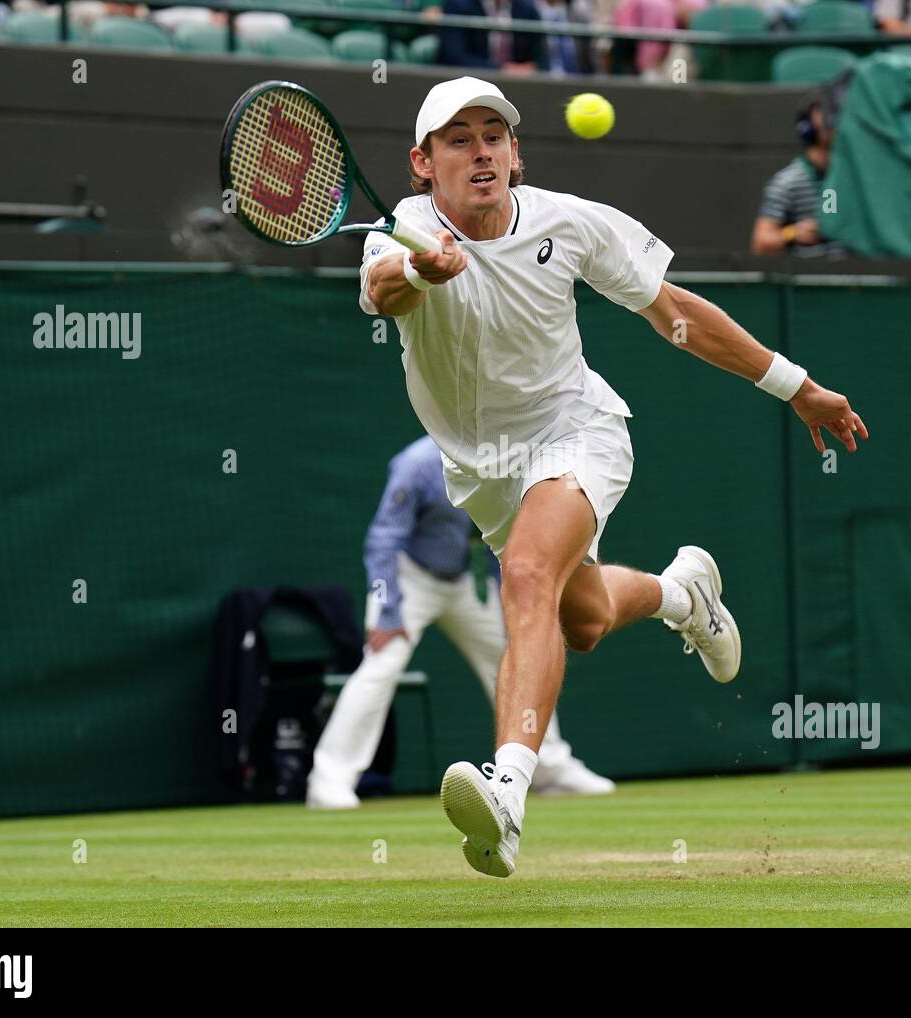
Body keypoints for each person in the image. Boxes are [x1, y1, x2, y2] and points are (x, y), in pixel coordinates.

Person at [359, 76, 868, 877]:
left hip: (576, 432)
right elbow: (384, 291)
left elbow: (677, 316)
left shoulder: (571, 223)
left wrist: (797, 387)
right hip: (483, 471)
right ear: (423, 164)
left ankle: (509, 793)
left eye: (495, 134)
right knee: (583, 619)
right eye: (458, 139)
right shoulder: (399, 234)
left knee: (528, 575)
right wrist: (427, 272)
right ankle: (681, 595)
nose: (481, 150)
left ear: (517, 154)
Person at [306, 435, 615, 809]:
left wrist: (515, 606)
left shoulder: (502, 458)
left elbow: (505, 539)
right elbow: (383, 540)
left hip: (462, 580)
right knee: (381, 665)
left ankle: (548, 766)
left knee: (517, 653)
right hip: (407, 578)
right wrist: (387, 611)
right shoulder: (415, 464)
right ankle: (329, 780)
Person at [751, 98, 845, 258]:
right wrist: (792, 233)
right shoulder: (787, 183)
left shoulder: (852, 180)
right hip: (808, 276)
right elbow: (761, 241)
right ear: (807, 129)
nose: (832, 122)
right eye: (825, 115)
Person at [438, 0, 543, 73]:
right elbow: (455, 57)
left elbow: (541, 58)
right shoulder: (458, 5)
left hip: (519, 84)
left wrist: (531, 68)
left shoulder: (527, 9)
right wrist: (501, 69)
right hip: (470, 81)